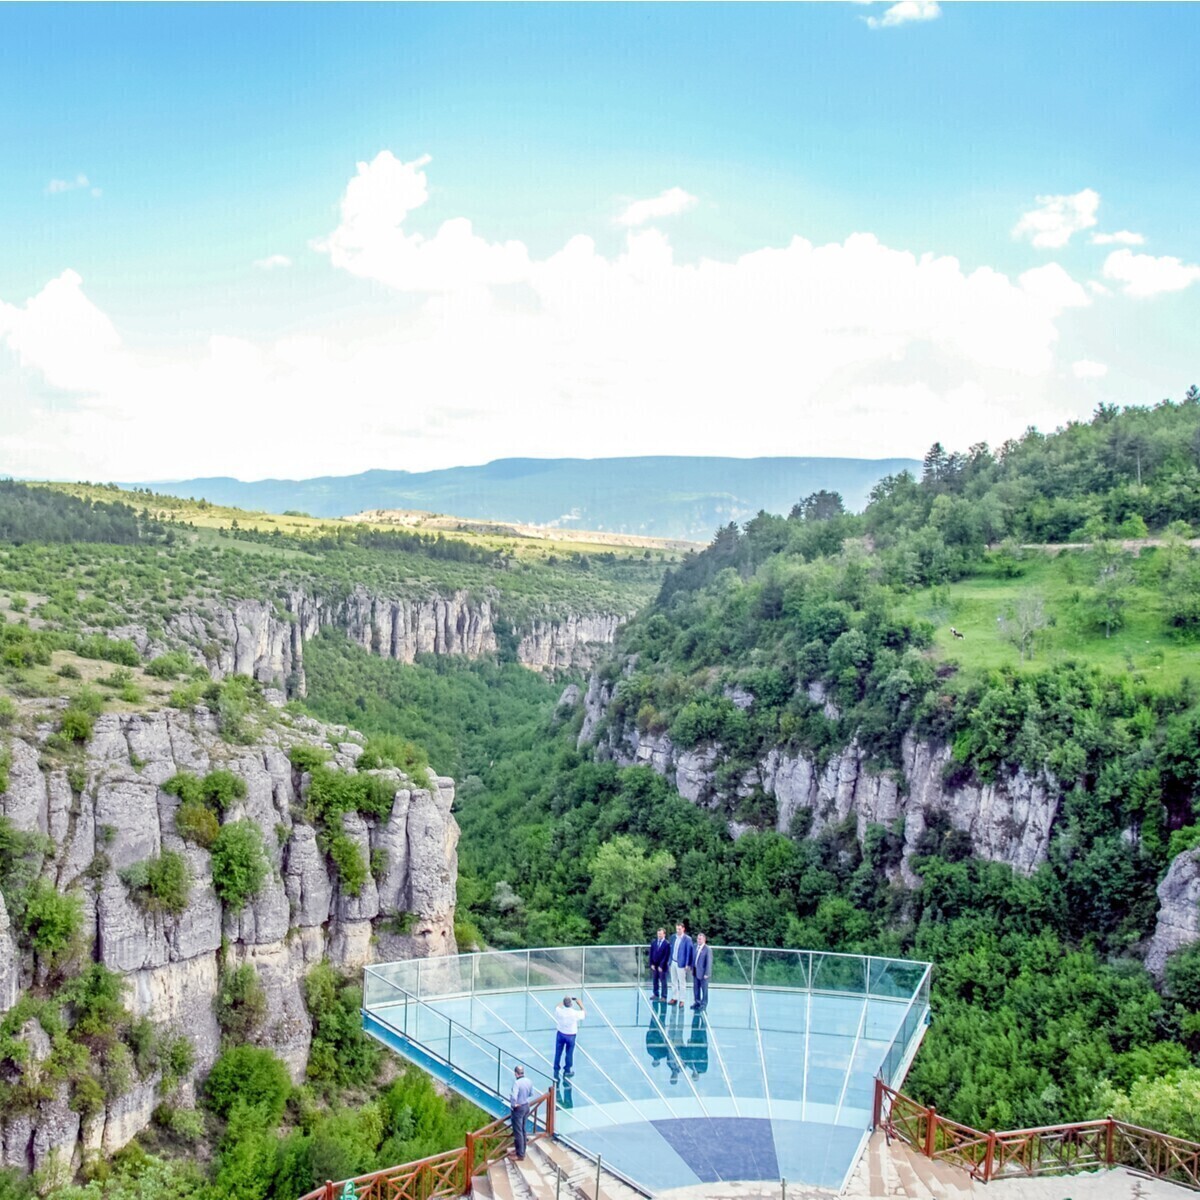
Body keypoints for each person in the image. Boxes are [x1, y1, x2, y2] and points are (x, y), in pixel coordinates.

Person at [553, 995, 586, 1078]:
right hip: (571, 1035)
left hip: (561, 1033)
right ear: (571, 1004)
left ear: (564, 1004)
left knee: (558, 1052)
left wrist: (564, 1000)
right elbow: (584, 1013)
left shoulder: (560, 1011)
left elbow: (557, 1006)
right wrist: (580, 1003)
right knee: (569, 1053)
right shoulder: (574, 1013)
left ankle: (556, 1066)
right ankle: (567, 1070)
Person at [508, 1066, 533, 1160]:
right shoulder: (529, 1081)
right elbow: (531, 1093)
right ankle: (521, 1149)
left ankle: (520, 1154)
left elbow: (514, 1096)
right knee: (523, 1129)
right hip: (526, 1106)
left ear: (516, 1073)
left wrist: (514, 1104)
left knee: (518, 1131)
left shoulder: (517, 1083)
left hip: (518, 1108)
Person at [668, 922, 693, 1006]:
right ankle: (675, 997)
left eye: (679, 929)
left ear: (683, 929)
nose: (678, 931)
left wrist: (687, 964)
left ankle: (682, 999)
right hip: (673, 962)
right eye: (677, 929)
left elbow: (688, 952)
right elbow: (670, 950)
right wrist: (670, 961)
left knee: (682, 982)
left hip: (681, 964)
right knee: (673, 981)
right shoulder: (673, 937)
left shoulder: (687, 939)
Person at [648, 927, 671, 1001]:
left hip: (662, 966)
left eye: (660, 934)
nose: (659, 935)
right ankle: (656, 994)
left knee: (663, 981)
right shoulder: (654, 942)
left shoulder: (666, 944)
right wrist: (651, 963)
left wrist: (661, 966)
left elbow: (666, 956)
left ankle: (664, 996)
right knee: (655, 980)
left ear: (664, 934)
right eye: (658, 934)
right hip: (654, 965)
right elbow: (651, 953)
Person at [692, 932, 712, 1010]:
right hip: (695, 971)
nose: (698, 940)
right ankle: (697, 1002)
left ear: (704, 940)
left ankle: (704, 1004)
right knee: (696, 988)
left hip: (703, 973)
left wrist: (707, 973)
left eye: (700, 939)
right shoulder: (695, 946)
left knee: (704, 989)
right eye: (698, 939)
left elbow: (709, 962)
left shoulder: (707, 949)